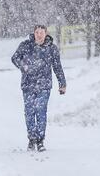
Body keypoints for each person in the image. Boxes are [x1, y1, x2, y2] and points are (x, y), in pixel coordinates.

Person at [11, 24, 66, 152]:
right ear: (34, 33)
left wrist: (62, 84)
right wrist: (24, 66)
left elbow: (57, 67)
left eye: (42, 32)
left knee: (41, 111)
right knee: (30, 112)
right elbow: (15, 58)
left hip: (44, 85)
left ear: (46, 33)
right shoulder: (26, 45)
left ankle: (40, 140)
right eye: (37, 32)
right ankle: (31, 139)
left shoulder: (51, 48)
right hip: (28, 85)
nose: (39, 34)